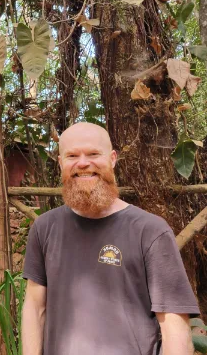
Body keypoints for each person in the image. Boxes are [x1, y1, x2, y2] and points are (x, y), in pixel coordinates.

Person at [21, 122, 200, 355]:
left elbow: (175, 327)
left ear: (113, 158)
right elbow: (35, 308)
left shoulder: (151, 231)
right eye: (72, 155)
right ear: (61, 162)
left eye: (93, 154)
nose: (83, 163)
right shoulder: (44, 227)